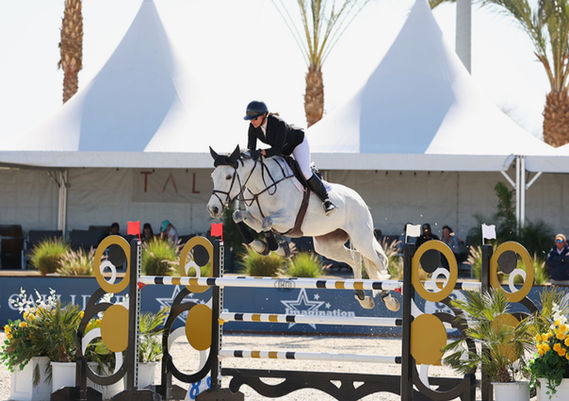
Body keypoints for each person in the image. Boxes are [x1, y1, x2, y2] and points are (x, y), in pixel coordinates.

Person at [244, 100, 336, 215]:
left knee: (305, 171)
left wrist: (262, 152)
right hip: (283, 149)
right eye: (250, 119)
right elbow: (251, 148)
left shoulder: (279, 123)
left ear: (264, 115)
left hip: (297, 143)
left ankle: (326, 201)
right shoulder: (253, 127)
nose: (252, 121)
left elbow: (277, 149)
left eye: (255, 118)